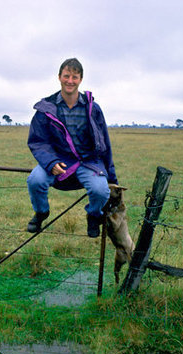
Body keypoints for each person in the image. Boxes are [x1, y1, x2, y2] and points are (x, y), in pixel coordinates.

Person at [26, 58, 118, 237]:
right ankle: (41, 213)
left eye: (74, 77)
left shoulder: (93, 108)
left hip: (88, 162)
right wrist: (51, 162)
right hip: (57, 160)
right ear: (59, 77)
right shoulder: (46, 108)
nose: (70, 81)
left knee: (100, 190)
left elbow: (104, 141)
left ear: (81, 79)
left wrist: (111, 176)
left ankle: (93, 216)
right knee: (35, 180)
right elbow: (38, 141)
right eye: (66, 76)